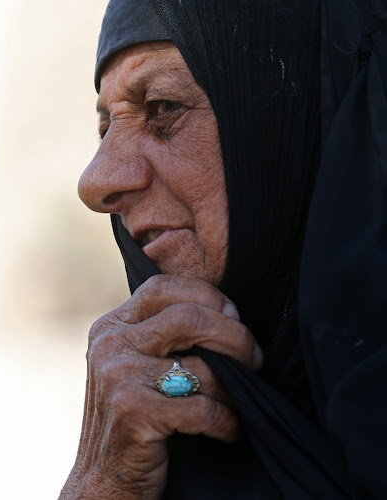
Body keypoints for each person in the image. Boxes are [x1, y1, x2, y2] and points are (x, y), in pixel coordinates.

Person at [60, 0, 387, 498]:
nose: (95, 181)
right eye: (106, 128)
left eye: (162, 108)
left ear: (294, 125)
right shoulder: (153, 437)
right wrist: (105, 482)